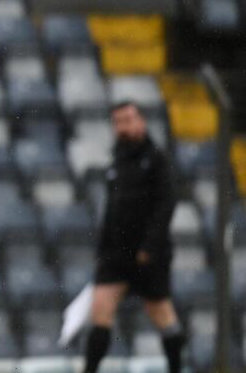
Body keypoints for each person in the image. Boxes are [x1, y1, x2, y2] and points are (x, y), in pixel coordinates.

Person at [83, 101, 184, 373]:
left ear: (141, 121)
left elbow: (166, 205)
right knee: (100, 309)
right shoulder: (117, 161)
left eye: (129, 120)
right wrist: (103, 247)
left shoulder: (157, 159)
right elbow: (111, 209)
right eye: (119, 122)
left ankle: (176, 367)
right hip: (116, 253)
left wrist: (149, 247)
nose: (124, 127)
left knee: (161, 313)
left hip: (148, 252)